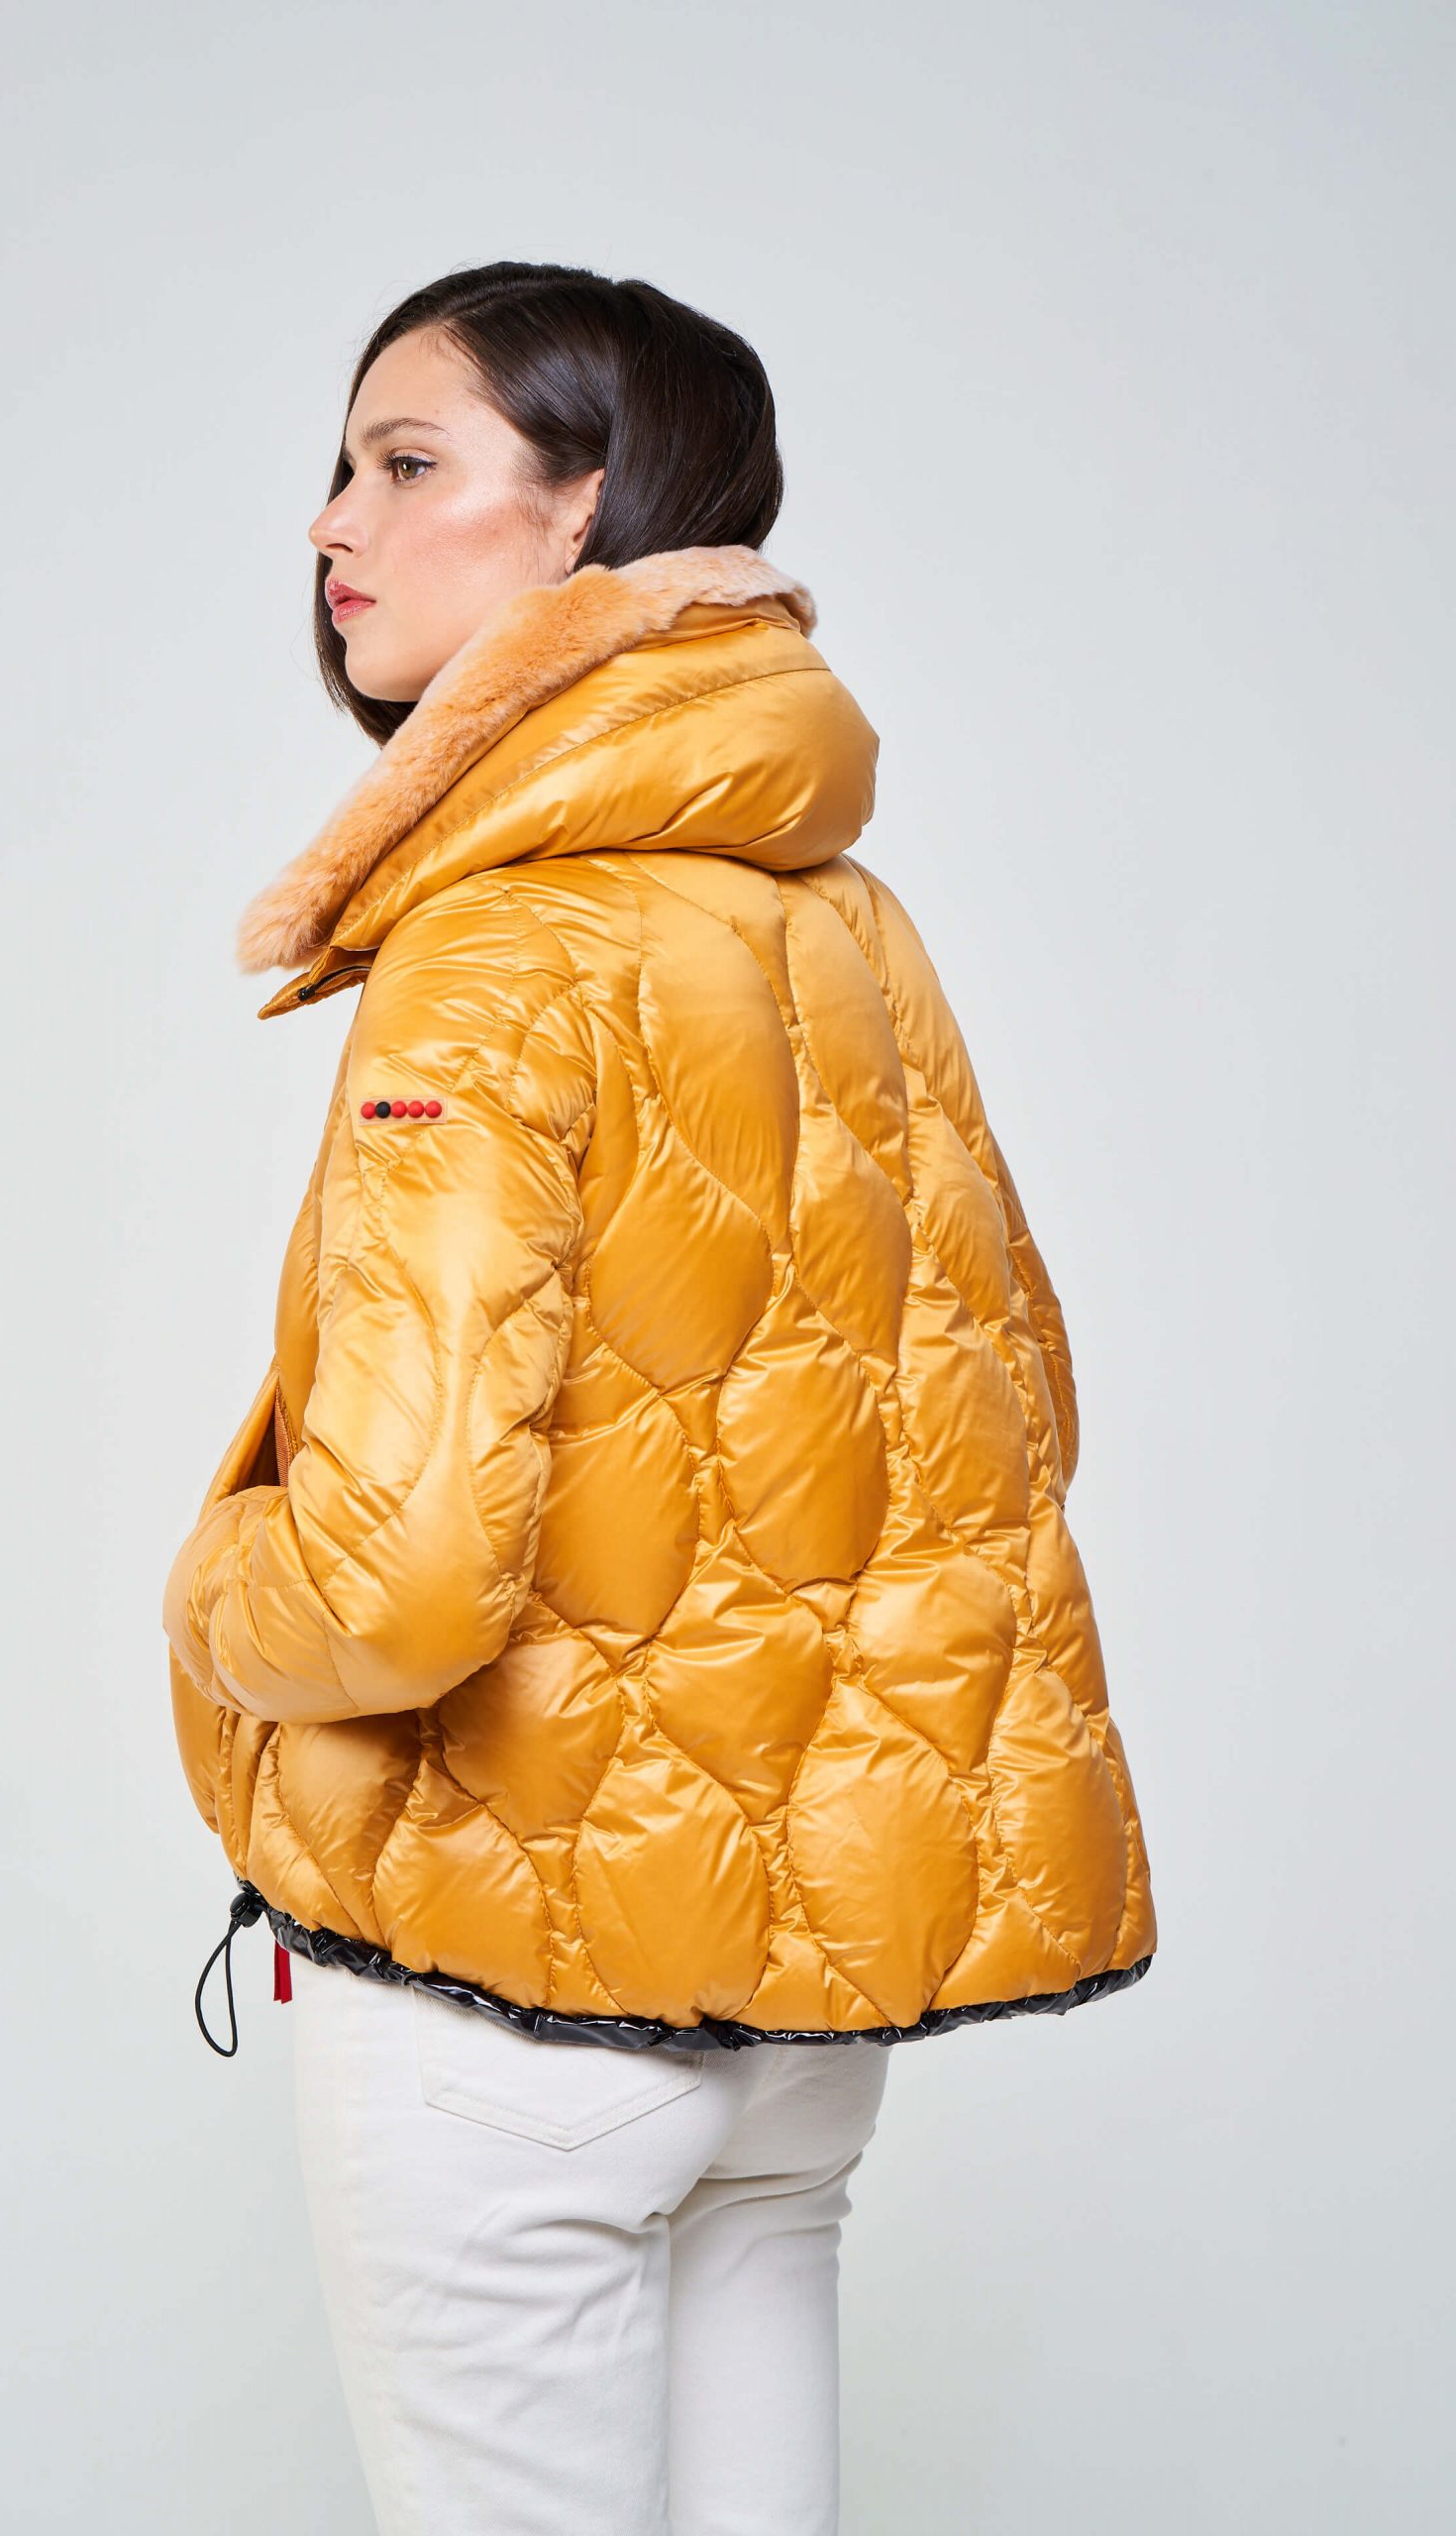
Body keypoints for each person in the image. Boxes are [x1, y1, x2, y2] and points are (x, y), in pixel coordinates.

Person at [162, 259, 1158, 2536]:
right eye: (340, 462)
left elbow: (395, 1577)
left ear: (590, 507)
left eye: (407, 461)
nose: (331, 519)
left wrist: (211, 1587)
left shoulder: (493, 941)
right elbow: (1001, 1413)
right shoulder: (839, 914)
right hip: (786, 2015)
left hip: (507, 1991)